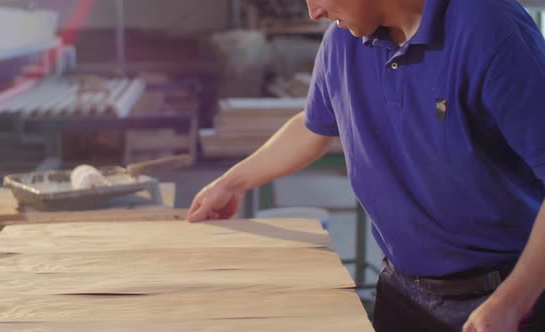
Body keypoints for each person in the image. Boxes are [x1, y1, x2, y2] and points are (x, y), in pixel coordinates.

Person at [187, 0, 545, 330]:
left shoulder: (490, 29)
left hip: (507, 295)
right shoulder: (341, 43)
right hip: (402, 293)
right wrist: (231, 183)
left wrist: (513, 302)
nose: (315, 11)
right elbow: (313, 126)